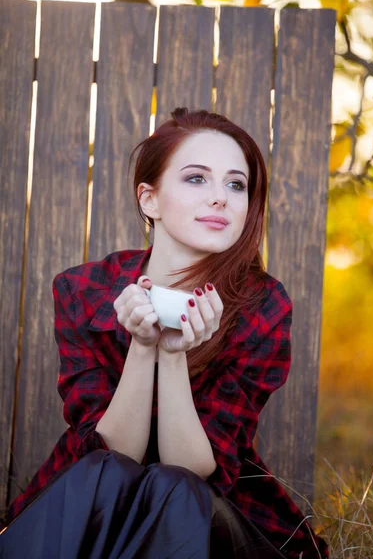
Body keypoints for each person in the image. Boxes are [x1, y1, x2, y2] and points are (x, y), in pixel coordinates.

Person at [1, 107, 330, 558]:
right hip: (99, 504)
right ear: (149, 199)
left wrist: (173, 354)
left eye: (236, 184)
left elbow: (190, 468)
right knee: (106, 471)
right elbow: (115, 453)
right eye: (196, 178)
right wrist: (142, 345)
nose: (221, 198)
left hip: (214, 522)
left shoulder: (264, 306)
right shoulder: (83, 290)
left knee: (171, 488)